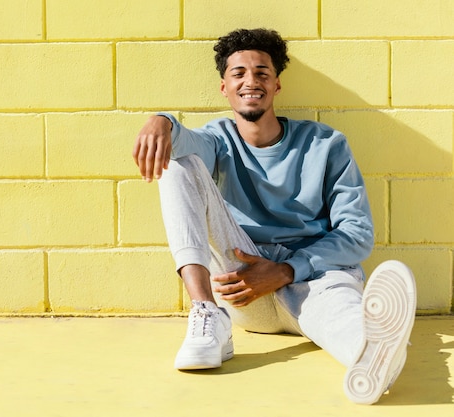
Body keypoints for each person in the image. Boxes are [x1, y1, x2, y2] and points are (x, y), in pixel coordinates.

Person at [132, 28, 417, 405]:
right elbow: (185, 143)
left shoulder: (326, 144)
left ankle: (374, 356)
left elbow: (359, 232)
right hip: (244, 284)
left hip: (315, 280)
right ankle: (206, 314)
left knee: (348, 327)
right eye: (239, 73)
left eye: (262, 72)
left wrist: (287, 269)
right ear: (224, 87)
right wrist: (161, 121)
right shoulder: (217, 139)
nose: (251, 81)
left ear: (277, 85)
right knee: (178, 164)